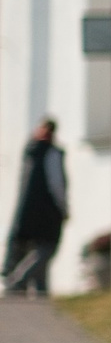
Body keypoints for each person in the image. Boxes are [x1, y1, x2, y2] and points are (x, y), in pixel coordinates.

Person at [4, 118, 66, 295]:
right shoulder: (51, 153)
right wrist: (63, 208)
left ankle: (41, 290)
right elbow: (56, 184)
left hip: (26, 211)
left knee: (36, 248)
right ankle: (18, 281)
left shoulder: (30, 151)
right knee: (47, 248)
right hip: (47, 210)